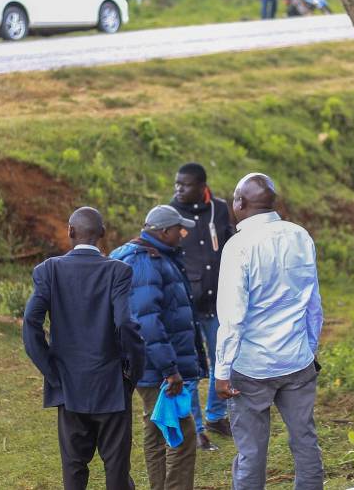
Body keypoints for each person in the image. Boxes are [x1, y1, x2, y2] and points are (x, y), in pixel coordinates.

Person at [22, 207, 146, 490]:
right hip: (111, 384)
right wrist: (132, 372)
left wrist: (51, 371)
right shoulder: (118, 271)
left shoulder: (48, 270)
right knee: (116, 469)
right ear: (102, 234)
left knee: (74, 468)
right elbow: (126, 323)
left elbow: (31, 321)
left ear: (70, 231)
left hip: (68, 386)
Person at [215, 173, 324, 490]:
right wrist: (309, 348)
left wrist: (222, 371)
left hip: (251, 368)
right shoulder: (300, 236)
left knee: (251, 453)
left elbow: (232, 317)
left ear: (240, 203)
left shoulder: (238, 247)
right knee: (305, 441)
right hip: (297, 360)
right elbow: (312, 302)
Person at [110, 205, 205, 490]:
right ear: (164, 231)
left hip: (146, 364)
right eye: (179, 229)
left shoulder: (145, 255)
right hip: (156, 366)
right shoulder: (145, 262)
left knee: (155, 428)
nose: (182, 233)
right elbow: (147, 322)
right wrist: (170, 369)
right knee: (182, 433)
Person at [170, 163, 235, 451]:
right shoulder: (171, 214)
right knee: (191, 368)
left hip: (219, 300)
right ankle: (195, 429)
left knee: (223, 359)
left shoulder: (219, 209)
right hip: (185, 304)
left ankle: (216, 416)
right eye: (176, 184)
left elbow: (232, 245)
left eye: (184, 185)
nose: (178, 190)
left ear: (201, 186)